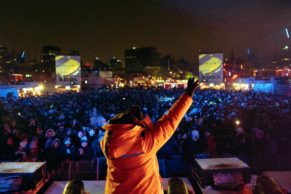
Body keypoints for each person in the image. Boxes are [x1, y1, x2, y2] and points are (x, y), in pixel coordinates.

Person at [100, 78, 199, 194]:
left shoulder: (107, 143)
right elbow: (170, 120)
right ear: (134, 126)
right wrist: (187, 96)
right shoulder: (145, 144)